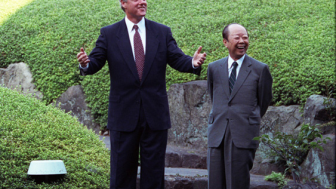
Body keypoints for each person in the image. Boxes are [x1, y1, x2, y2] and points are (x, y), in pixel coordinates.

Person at [77, 0, 206, 188]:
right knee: (121, 174)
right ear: (123, 3)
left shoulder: (162, 32)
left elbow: (177, 59)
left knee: (154, 175)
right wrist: (85, 64)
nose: (143, 1)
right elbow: (94, 62)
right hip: (123, 115)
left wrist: (193, 63)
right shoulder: (110, 33)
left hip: (155, 114)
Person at [206, 23, 273, 189]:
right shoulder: (214, 68)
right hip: (217, 133)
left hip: (243, 133)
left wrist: (248, 118)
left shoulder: (260, 69)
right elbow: (214, 97)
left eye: (245, 37)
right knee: (214, 183)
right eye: (237, 38)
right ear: (225, 42)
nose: (242, 41)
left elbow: (263, 102)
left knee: (237, 183)